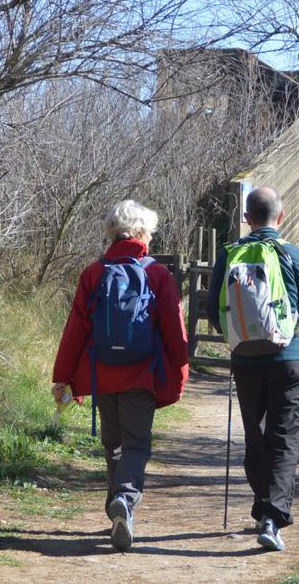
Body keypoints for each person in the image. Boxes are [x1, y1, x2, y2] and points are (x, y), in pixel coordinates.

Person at [207, 186, 299, 552]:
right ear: (281, 218)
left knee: (255, 435)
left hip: (245, 361)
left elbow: (212, 311)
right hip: (289, 360)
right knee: (283, 438)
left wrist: (239, 338)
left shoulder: (229, 255)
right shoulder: (293, 255)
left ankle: (265, 505)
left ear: (247, 219)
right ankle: (272, 516)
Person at [52, 199, 189, 552]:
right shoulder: (157, 274)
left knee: (112, 445)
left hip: (102, 377)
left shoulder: (93, 274)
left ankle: (117, 508)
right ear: (143, 234)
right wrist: (181, 368)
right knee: (137, 444)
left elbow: (76, 330)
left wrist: (63, 376)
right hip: (142, 376)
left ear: (112, 232)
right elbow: (174, 332)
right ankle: (125, 502)